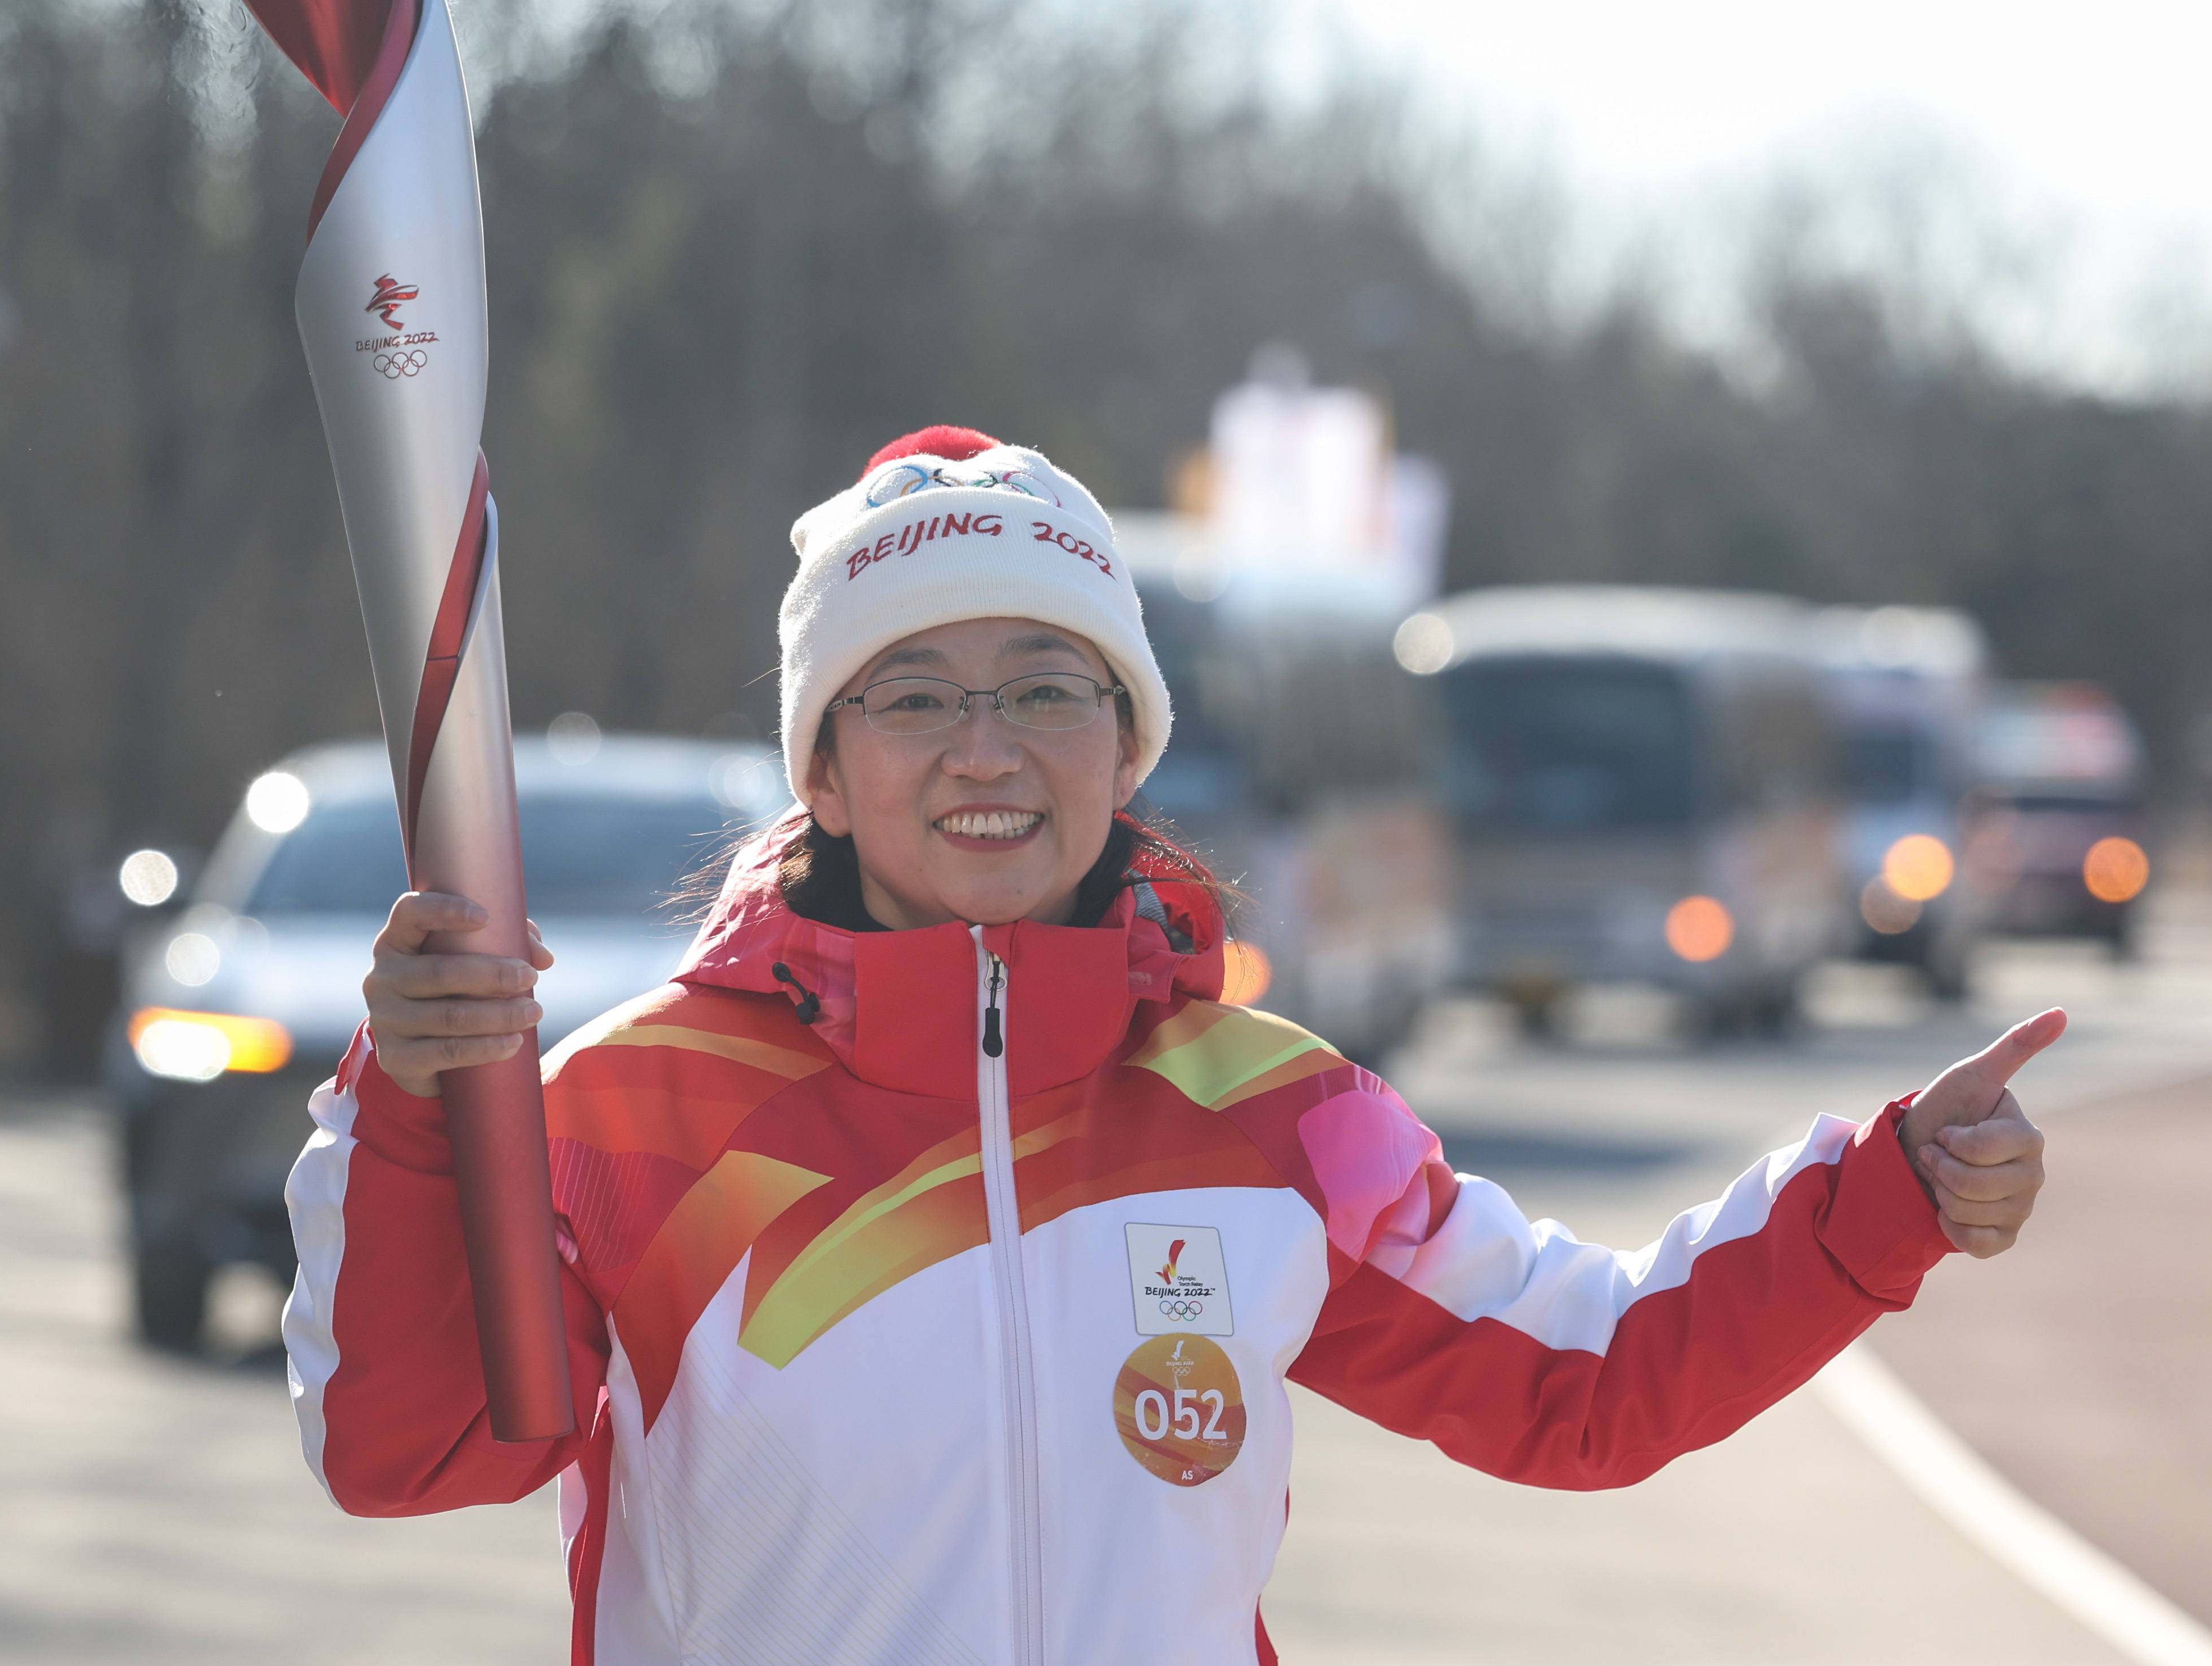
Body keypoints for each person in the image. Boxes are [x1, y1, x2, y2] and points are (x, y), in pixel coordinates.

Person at [284, 426, 2058, 1665]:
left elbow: (1584, 1380)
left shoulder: (1273, 1111)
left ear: (1125, 748)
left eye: (1051, 684)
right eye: (915, 693)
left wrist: (1883, 1195)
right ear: (823, 766)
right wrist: (419, 1112)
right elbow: (408, 1451)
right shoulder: (637, 1107)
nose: (988, 747)